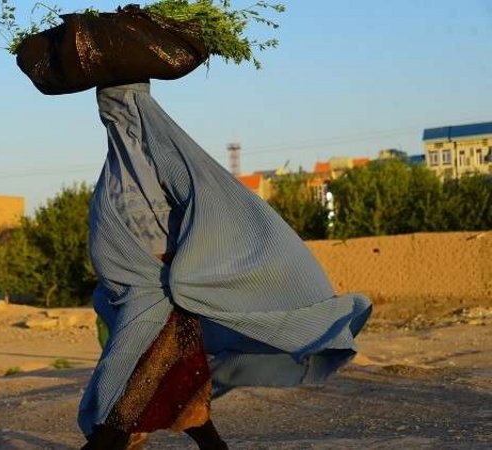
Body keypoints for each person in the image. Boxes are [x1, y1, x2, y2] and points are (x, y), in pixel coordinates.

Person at [79, 82, 371, 449]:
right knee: (180, 393)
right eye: (107, 107)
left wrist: (188, 273)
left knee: (132, 395)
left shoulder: (162, 158)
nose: (112, 114)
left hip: (168, 298)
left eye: (119, 106)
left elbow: (209, 208)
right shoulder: (113, 177)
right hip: (149, 302)